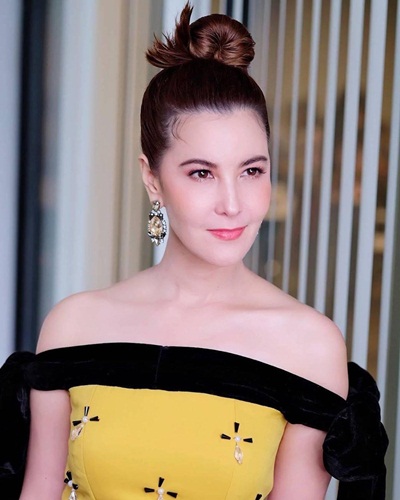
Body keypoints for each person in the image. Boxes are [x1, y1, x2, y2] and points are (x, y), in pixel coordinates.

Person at [0, 4, 387, 499]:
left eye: (252, 171)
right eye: (202, 173)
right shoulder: (74, 325)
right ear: (152, 178)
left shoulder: (308, 346)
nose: (233, 204)